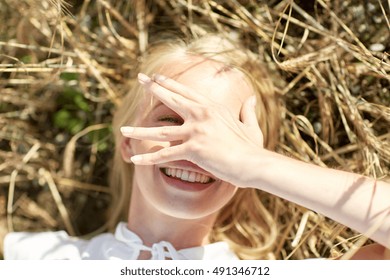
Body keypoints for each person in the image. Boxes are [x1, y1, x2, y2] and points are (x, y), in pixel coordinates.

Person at [3, 35, 389, 260]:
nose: (196, 147)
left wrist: (253, 164)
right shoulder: (39, 259)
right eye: (170, 120)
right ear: (127, 141)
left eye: (223, 136)